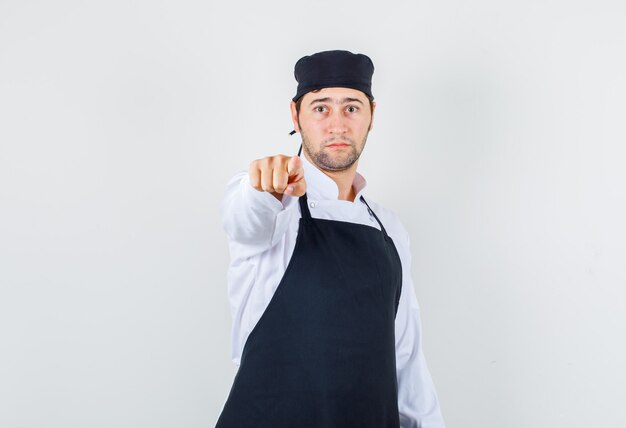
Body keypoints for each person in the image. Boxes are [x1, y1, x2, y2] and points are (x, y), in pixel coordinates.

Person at [216, 50, 445, 428]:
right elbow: (245, 218)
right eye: (321, 108)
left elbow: (405, 358)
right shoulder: (273, 204)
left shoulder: (390, 229)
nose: (337, 125)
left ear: (372, 115)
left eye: (351, 108)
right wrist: (264, 187)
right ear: (296, 115)